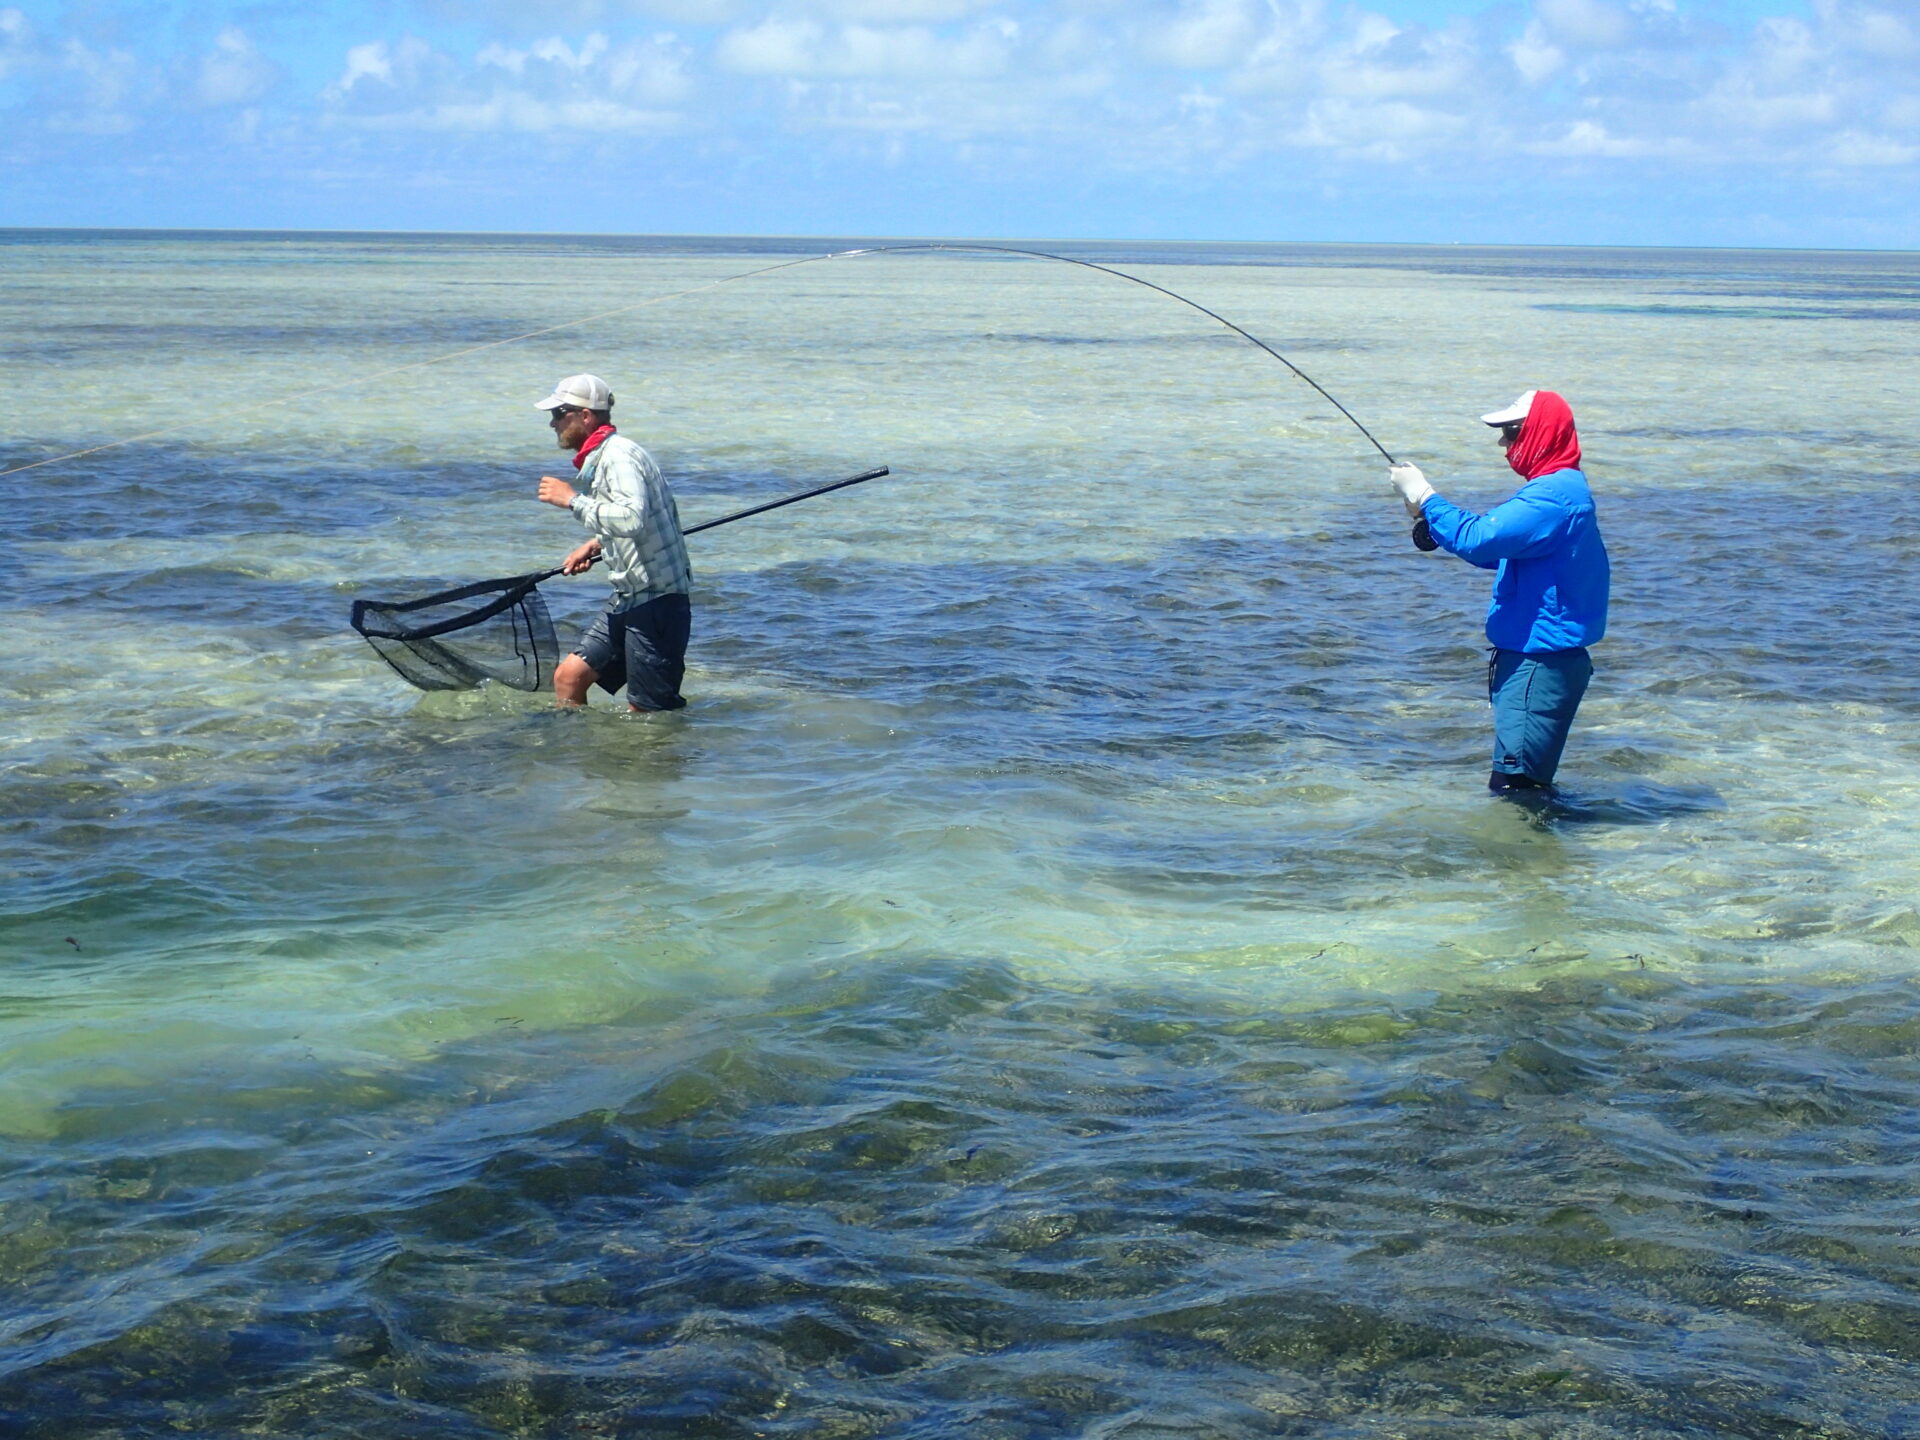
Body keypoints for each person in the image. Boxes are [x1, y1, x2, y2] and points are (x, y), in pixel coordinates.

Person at [1388, 389, 1610, 796]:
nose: (1503, 444)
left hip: (1537, 664)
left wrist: (1424, 496)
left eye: (1511, 432)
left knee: (1515, 790)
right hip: (1543, 663)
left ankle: (1526, 858)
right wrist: (1433, 524)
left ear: (1540, 433)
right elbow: (1507, 553)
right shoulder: (1564, 488)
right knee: (1527, 786)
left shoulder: (1552, 497)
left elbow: (1480, 540)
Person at [533, 373, 693, 712]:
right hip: (628, 597)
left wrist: (572, 501)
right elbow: (636, 520)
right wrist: (596, 545)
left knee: (648, 714)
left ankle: (652, 762)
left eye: (559, 413)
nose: (552, 423)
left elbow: (632, 518)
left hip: (658, 601)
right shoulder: (604, 455)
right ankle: (580, 757)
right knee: (568, 678)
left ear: (586, 415)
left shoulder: (618, 456)